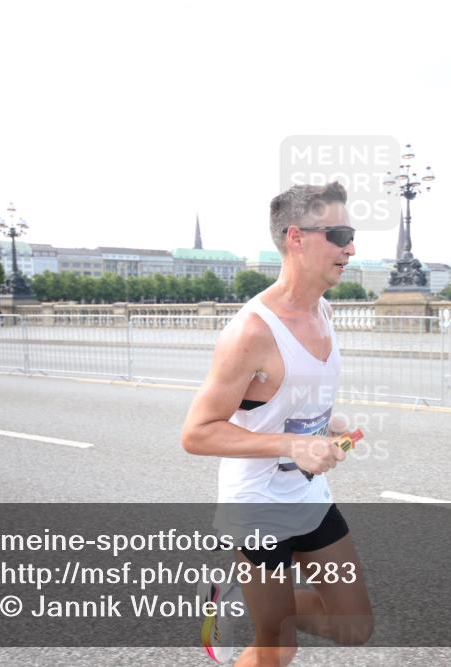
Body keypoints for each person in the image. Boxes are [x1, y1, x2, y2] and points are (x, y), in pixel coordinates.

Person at [181, 182, 372, 666]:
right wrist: (293, 444)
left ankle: (268, 613)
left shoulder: (324, 311)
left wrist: (326, 428)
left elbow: (291, 401)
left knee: (354, 626)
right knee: (277, 646)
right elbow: (197, 433)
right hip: (256, 508)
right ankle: (268, 618)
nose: (351, 247)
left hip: (308, 498)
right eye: (340, 233)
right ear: (297, 238)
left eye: (351, 235)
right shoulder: (251, 332)